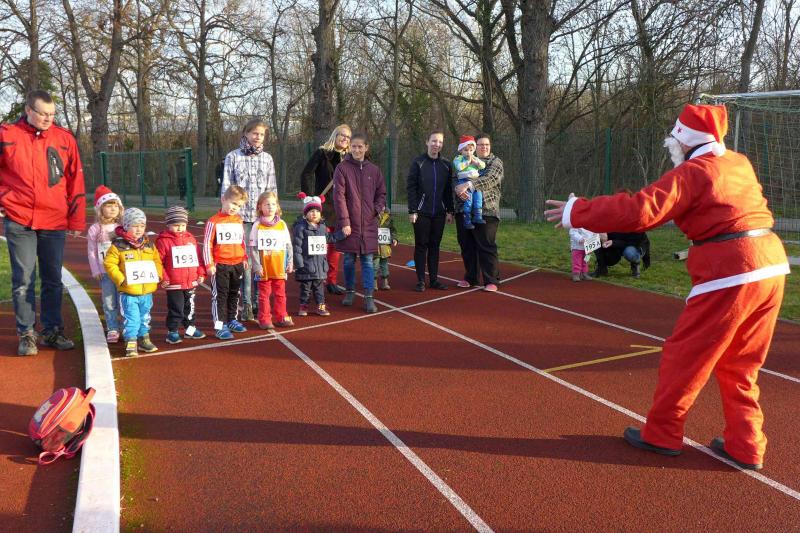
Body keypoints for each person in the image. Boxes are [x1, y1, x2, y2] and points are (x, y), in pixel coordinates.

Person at [545, 103, 790, 470]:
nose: (671, 146)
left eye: (674, 140)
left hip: (730, 270)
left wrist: (577, 211)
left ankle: (662, 433)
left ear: (685, 140)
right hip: (771, 265)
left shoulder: (694, 172)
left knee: (685, 356)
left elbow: (640, 210)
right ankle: (747, 442)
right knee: (741, 361)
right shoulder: (738, 163)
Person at [0, 90, 86, 356]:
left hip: (54, 219)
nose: (48, 119)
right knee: (23, 279)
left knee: (52, 278)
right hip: (19, 219)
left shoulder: (64, 138)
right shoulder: (6, 135)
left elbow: (75, 180)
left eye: (52, 114)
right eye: (43, 114)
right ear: (28, 110)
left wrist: (76, 218)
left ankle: (52, 330)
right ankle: (27, 334)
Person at [221, 118, 277, 322]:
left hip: (261, 220)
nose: (258, 137)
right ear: (246, 133)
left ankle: (258, 301)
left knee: (261, 261)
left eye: (261, 134)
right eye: (254, 133)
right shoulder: (233, 157)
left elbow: (272, 188)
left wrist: (273, 213)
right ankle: (246, 305)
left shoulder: (267, 159)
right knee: (246, 262)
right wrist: (227, 212)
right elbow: (226, 187)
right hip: (241, 219)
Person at [334, 132, 386, 313]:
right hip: (350, 224)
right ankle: (349, 291)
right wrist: (345, 222)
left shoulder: (374, 170)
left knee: (368, 261)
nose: (356, 150)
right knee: (348, 260)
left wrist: (375, 210)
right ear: (349, 147)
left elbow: (382, 194)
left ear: (366, 147)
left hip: (369, 224)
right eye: (353, 146)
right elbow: (339, 197)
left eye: (360, 146)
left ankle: (369, 297)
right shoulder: (342, 168)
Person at [104, 208, 164, 357]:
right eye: (135, 226)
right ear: (126, 226)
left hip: (147, 291)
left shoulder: (149, 245)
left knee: (145, 317)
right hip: (129, 292)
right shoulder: (118, 246)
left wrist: (158, 274)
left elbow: (156, 260)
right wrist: (120, 278)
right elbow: (109, 264)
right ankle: (131, 341)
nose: (139, 229)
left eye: (142, 226)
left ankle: (144, 338)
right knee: (131, 318)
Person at [300, 123, 351, 295]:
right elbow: (306, 173)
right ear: (335, 135)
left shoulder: (350, 158)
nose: (345, 138)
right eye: (342, 135)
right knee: (319, 245)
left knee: (336, 246)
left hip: (342, 207)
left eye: (348, 137)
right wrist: (309, 197)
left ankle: (331, 281)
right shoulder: (322, 153)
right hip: (323, 205)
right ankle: (315, 280)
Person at [406, 130, 454, 292]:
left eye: (440, 142)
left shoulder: (446, 165)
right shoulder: (418, 162)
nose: (436, 144)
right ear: (427, 142)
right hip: (421, 213)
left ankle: (433, 280)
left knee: (435, 246)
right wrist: (413, 210)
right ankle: (420, 280)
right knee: (421, 245)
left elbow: (448, 190)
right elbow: (411, 187)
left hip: (439, 213)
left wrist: (450, 210)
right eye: (434, 141)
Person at [454, 133, 503, 292]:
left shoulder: (495, 162)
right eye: (480, 144)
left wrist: (469, 185)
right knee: (467, 246)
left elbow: (490, 179)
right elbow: (455, 178)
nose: (484, 147)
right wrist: (457, 189)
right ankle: (471, 277)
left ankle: (491, 280)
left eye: (486, 144)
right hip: (463, 210)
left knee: (486, 246)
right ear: (474, 146)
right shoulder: (463, 159)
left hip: (487, 211)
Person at [203, 185, 249, 340]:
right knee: (220, 296)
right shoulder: (213, 221)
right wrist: (209, 264)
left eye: (239, 206)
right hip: (220, 265)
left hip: (237, 264)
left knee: (234, 293)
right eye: (233, 203)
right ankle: (219, 326)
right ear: (223, 199)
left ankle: (231, 320)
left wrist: (244, 257)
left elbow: (242, 241)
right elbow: (207, 244)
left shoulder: (238, 220)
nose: (235, 208)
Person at [156, 205, 207, 344]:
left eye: (183, 225)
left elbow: (198, 258)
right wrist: (164, 277)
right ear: (168, 224)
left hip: (191, 282)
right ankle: (172, 331)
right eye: (176, 225)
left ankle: (190, 329)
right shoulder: (163, 241)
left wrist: (201, 273)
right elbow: (158, 262)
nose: (180, 228)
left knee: (190, 308)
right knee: (176, 308)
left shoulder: (191, 239)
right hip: (174, 283)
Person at [249, 191, 294, 330]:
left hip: (279, 266)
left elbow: (288, 245)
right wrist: (257, 265)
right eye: (267, 204)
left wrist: (290, 262)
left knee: (280, 294)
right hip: (264, 267)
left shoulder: (282, 224)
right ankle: (264, 318)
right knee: (264, 295)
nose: (270, 207)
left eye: (273, 204)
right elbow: (253, 247)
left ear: (277, 206)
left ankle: (282, 316)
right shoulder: (257, 225)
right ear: (260, 207)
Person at [87, 185, 125, 343]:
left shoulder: (122, 227)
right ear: (100, 209)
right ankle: (112, 328)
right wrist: (96, 270)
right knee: (109, 302)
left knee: (124, 300)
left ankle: (126, 327)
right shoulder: (95, 229)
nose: (113, 209)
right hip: (105, 273)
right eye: (108, 206)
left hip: (122, 272)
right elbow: (92, 251)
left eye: (115, 205)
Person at [292, 194, 333, 319]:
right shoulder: (300, 228)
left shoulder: (323, 228)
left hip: (320, 266)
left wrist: (342, 234)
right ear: (305, 214)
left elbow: (329, 239)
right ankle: (303, 306)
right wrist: (299, 264)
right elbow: (297, 247)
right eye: (311, 211)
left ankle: (321, 306)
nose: (314, 213)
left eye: (317, 211)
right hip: (306, 266)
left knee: (320, 290)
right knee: (306, 289)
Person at [452, 135, 486, 229]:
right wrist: (468, 162)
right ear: (461, 150)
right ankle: (467, 220)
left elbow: (483, 165)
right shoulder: (458, 158)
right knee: (468, 200)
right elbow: (458, 167)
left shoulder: (474, 158)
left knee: (478, 198)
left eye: (471, 150)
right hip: (464, 181)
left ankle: (477, 217)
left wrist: (476, 163)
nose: (468, 152)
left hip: (475, 181)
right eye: (466, 150)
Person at [373, 207, 398, 290]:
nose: (382, 207)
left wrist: (394, 238)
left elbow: (393, 230)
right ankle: (373, 283)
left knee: (384, 265)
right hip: (374, 246)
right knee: (375, 265)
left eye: (383, 205)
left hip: (385, 247)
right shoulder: (372, 215)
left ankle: (385, 283)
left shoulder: (389, 217)